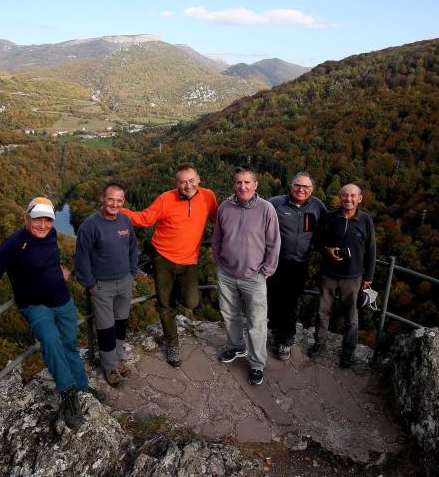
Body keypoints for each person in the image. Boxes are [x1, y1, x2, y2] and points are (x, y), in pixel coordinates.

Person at [0, 197, 94, 429]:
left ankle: (83, 389)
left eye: (48, 220)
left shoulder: (51, 235)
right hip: (35, 306)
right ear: (26, 218)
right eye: (37, 219)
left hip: (63, 301)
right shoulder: (13, 244)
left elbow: (47, 258)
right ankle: (69, 395)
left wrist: (58, 269)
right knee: (51, 341)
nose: (43, 225)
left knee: (70, 344)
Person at [120, 163, 218, 367]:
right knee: (166, 305)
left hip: (189, 260)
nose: (188, 185)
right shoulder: (166, 198)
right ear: (176, 183)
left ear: (198, 179)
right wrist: (119, 210)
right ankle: (172, 345)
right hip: (163, 258)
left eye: (191, 180)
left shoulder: (208, 196)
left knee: (191, 301)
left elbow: (220, 220)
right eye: (183, 182)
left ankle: (172, 300)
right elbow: (145, 219)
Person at [212, 165, 281, 386]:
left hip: (254, 277)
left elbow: (274, 243)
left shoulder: (266, 209)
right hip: (227, 273)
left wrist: (266, 272)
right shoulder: (224, 207)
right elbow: (217, 239)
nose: (243, 186)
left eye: (247, 182)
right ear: (234, 184)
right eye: (239, 182)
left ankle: (257, 364)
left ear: (255, 185)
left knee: (257, 322)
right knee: (230, 314)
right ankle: (235, 347)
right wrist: (219, 264)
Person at [75, 183, 138, 387]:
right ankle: (109, 367)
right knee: (106, 328)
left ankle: (117, 359)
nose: (114, 204)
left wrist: (132, 273)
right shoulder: (90, 225)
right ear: (102, 198)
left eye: (119, 201)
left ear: (123, 202)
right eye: (110, 199)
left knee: (120, 324)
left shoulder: (125, 221)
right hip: (101, 286)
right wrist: (90, 284)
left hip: (124, 282)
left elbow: (132, 248)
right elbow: (81, 258)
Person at [308, 184, 376, 368]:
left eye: (353, 196)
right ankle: (319, 344)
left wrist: (368, 277)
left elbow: (371, 250)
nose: (349, 199)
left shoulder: (365, 220)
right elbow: (316, 241)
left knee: (351, 317)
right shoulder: (330, 217)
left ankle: (348, 352)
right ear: (340, 197)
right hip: (329, 274)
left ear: (360, 198)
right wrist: (327, 250)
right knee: (322, 312)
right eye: (345, 195)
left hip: (353, 276)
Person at [267, 172, 327, 360]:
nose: (301, 189)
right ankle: (276, 333)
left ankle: (286, 341)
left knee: (291, 303)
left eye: (305, 187)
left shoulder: (317, 207)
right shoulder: (276, 203)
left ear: (312, 190)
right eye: (297, 185)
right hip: (274, 263)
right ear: (291, 186)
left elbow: (327, 228)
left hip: (299, 264)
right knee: (274, 301)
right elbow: (257, 214)